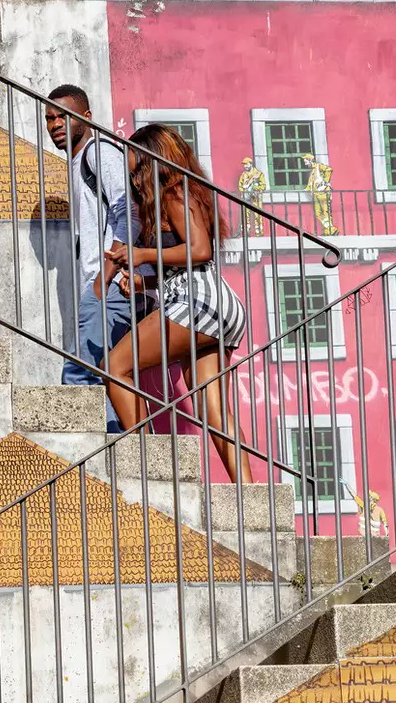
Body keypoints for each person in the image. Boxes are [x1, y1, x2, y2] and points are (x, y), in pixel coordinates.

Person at [99, 124, 260, 481]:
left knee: (115, 367)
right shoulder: (176, 197)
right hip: (213, 304)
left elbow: (199, 251)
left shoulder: (175, 191)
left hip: (196, 302)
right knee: (212, 409)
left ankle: (151, 472)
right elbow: (187, 264)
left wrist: (140, 252)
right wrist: (144, 282)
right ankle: (250, 498)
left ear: (148, 158)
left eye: (130, 153)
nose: (125, 162)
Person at [44, 84, 134, 429]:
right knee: (105, 380)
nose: (55, 124)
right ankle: (116, 456)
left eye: (63, 117)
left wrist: (108, 275)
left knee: (80, 377)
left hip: (109, 287)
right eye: (50, 118)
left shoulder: (99, 153)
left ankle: (95, 459)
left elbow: (129, 212)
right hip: (102, 287)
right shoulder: (82, 160)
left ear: (86, 117)